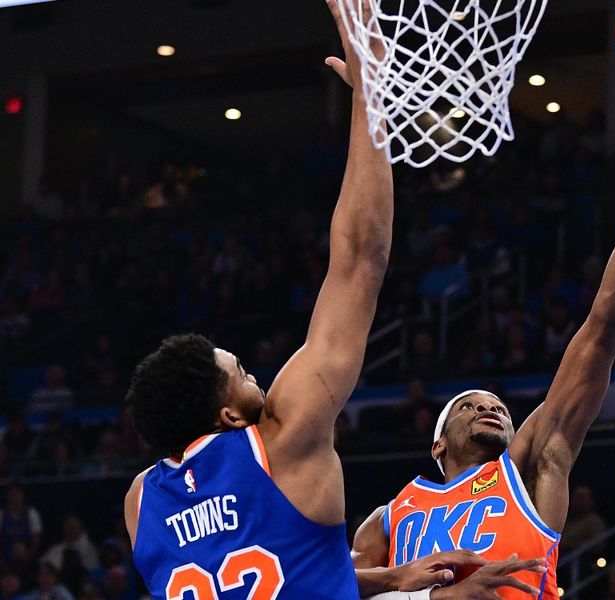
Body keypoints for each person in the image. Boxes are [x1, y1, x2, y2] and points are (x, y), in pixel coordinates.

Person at [351, 73, 615, 599]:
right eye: (468, 406)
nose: (489, 408)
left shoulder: (527, 465)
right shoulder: (389, 518)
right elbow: (327, 587)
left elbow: (604, 326)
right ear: (437, 442)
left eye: (497, 404)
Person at [122, 3, 396, 598]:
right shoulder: (282, 434)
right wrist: (371, 96)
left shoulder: (141, 502)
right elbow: (360, 262)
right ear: (228, 414)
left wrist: (385, 580)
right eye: (242, 373)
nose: (258, 378)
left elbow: (263, 567)